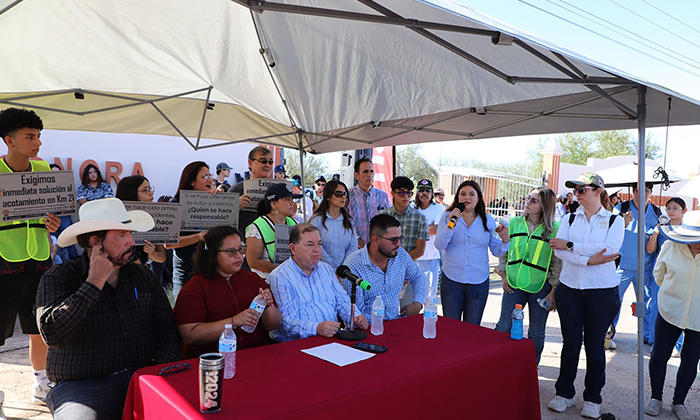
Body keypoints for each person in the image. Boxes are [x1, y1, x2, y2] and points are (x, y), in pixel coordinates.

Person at [35, 198, 181, 420]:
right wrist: (94, 282)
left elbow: (168, 333)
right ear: (96, 242)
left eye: (129, 234)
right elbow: (53, 335)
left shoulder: (142, 276)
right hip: (81, 387)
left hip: (143, 375)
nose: (132, 241)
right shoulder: (59, 277)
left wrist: (157, 374)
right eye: (121, 235)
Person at [547, 172, 624, 418]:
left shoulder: (614, 221)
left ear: (598, 191)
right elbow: (557, 250)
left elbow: (609, 251)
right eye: (576, 190)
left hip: (601, 292)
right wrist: (591, 259)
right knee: (570, 343)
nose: (577, 194)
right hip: (570, 289)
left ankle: (593, 398)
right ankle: (564, 393)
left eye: (583, 189)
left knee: (594, 345)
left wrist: (572, 247)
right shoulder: (570, 218)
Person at [0, 108, 61, 403]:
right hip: (4, 260)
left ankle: (41, 383)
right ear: (9, 141)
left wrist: (53, 223)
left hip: (39, 259)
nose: (37, 143)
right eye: (30, 136)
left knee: (39, 327)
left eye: (38, 136)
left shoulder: (45, 171)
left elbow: (51, 214)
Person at [174, 226, 281, 358]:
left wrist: (268, 305)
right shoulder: (195, 287)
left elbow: (273, 325)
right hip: (213, 360)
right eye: (230, 251)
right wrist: (234, 321)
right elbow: (190, 335)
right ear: (213, 255)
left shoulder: (253, 279)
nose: (238, 256)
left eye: (241, 249)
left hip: (256, 355)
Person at [494, 187, 562, 364]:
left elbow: (558, 262)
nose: (527, 202)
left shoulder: (555, 229)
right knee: (503, 327)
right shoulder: (514, 223)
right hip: (513, 284)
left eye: (533, 200)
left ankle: (530, 368)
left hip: (541, 288)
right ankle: (499, 364)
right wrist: (503, 275)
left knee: (537, 332)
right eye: (527, 198)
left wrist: (553, 291)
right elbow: (505, 251)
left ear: (544, 206)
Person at [644, 211, 700, 420]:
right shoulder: (670, 247)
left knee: (690, 360)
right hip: (670, 310)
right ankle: (655, 398)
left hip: (698, 316)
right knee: (659, 355)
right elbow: (659, 276)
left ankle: (679, 402)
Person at [268, 224, 368, 342]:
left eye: (319, 244)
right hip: (296, 344)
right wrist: (316, 328)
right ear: (293, 249)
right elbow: (285, 321)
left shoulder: (326, 269)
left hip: (331, 339)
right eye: (310, 245)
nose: (317, 249)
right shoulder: (280, 277)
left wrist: (355, 317)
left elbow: (342, 301)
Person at [434, 180, 509, 325]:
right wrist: (451, 224)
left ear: (478, 198)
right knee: (451, 327)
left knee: (472, 328)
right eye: (463, 194)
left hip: (478, 281)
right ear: (457, 197)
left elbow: (496, 250)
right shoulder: (447, 217)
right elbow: (439, 245)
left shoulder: (487, 220)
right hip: (452, 280)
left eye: (471, 194)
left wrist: (505, 240)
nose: (467, 198)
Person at [343, 214, 426, 320]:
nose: (399, 244)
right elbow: (356, 313)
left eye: (400, 238)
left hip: (396, 322)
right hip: (367, 328)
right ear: (376, 239)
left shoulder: (400, 254)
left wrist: (417, 303)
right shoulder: (353, 266)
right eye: (394, 240)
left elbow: (418, 276)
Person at [611, 183, 661, 348]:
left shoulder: (657, 212)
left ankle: (647, 335)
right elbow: (610, 232)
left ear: (650, 193)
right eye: (639, 190)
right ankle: (608, 333)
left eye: (646, 191)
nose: (643, 193)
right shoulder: (621, 208)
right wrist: (622, 222)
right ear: (633, 192)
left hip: (646, 267)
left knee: (648, 302)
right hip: (622, 266)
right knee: (613, 300)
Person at [647, 197, 688, 358]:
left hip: (681, 275)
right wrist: (656, 233)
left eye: (675, 208)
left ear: (684, 211)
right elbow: (650, 250)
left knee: (679, 309)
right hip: (661, 274)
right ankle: (655, 342)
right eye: (668, 208)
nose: (671, 211)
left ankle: (678, 345)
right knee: (656, 307)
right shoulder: (662, 228)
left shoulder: (689, 229)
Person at [168, 161, 211, 299]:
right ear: (191, 181)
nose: (209, 179)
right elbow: (169, 243)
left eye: (210, 175)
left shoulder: (213, 202)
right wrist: (198, 237)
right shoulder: (176, 204)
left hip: (209, 268)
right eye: (204, 176)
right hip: (185, 267)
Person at [246, 183, 299, 280]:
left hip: (291, 280)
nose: (292, 203)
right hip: (266, 283)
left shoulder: (294, 223)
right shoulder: (257, 228)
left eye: (292, 199)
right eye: (287, 199)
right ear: (273, 204)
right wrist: (284, 271)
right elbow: (253, 261)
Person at [115, 175, 167, 267]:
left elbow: (162, 257)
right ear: (131, 193)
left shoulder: (154, 217)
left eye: (150, 188)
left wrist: (152, 254)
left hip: (142, 273)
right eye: (145, 190)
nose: (151, 193)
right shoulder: (115, 218)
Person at [309, 180, 358, 269]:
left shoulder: (350, 221)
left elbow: (353, 247)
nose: (343, 197)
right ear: (328, 196)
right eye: (338, 194)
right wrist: (330, 267)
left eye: (345, 194)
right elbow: (316, 246)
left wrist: (343, 268)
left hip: (344, 272)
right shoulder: (316, 221)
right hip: (320, 270)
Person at [347, 156, 390, 248]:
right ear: (356, 175)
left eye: (371, 171)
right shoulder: (348, 196)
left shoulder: (383, 196)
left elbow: (387, 223)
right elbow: (345, 224)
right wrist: (359, 242)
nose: (369, 175)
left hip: (379, 248)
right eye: (365, 171)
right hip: (354, 248)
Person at [231, 146, 275, 234]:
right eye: (263, 161)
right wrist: (235, 207)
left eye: (270, 162)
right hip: (244, 241)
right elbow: (224, 220)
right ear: (250, 163)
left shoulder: (276, 189)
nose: (268, 165)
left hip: (270, 241)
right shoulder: (236, 190)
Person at [414, 179, 444, 291]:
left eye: (427, 190)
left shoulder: (439, 209)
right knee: (414, 295)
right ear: (417, 193)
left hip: (431, 257)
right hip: (413, 257)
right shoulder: (412, 208)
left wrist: (416, 228)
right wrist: (428, 227)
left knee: (430, 295)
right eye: (421, 190)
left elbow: (436, 229)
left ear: (432, 193)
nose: (424, 193)